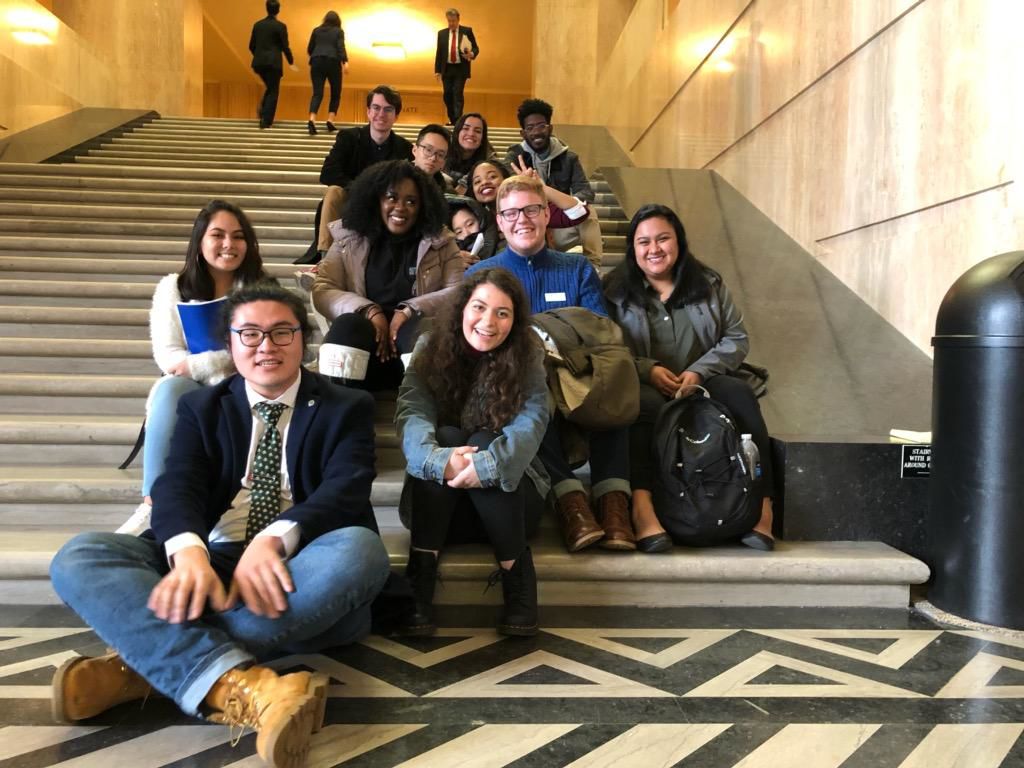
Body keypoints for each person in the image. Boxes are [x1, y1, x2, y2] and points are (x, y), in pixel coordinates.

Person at [49, 281, 391, 768]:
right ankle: (243, 686)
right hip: (212, 563)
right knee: (80, 556)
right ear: (230, 346)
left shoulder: (346, 406)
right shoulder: (201, 406)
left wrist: (274, 540)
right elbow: (177, 485)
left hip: (301, 568)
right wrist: (189, 552)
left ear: (303, 341)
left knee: (361, 552)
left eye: (281, 333)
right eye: (249, 334)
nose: (265, 346)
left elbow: (347, 489)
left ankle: (141, 666)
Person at [466, 175, 633, 553]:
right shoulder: (480, 275)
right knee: (531, 386)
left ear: (545, 214)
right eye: (511, 213)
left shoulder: (576, 270)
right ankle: (570, 501)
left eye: (530, 210)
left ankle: (613, 504)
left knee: (612, 388)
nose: (521, 219)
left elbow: (599, 331)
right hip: (517, 381)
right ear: (499, 220)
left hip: (576, 372)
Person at [603, 204, 775, 551]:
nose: (654, 249)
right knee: (638, 406)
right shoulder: (614, 291)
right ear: (632, 249)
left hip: (703, 380)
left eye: (663, 239)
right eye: (643, 242)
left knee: (739, 396)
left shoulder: (708, 283)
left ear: (678, 241)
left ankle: (763, 508)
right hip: (645, 383)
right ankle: (643, 510)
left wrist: (699, 371)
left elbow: (737, 338)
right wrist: (646, 369)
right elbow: (604, 345)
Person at [396, 268, 549, 636]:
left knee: (484, 441)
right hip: (440, 507)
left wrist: (490, 464)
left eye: (502, 313)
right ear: (463, 308)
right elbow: (411, 411)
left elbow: (533, 420)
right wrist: (439, 461)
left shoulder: (528, 354)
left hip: (511, 507)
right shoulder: (429, 348)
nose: (488, 322)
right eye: (479, 307)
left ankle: (518, 579)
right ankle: (421, 575)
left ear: (514, 320)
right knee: (446, 436)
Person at [118, 201, 270, 537]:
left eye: (238, 236)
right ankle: (152, 504)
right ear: (200, 241)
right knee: (169, 389)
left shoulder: (262, 290)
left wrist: (201, 363)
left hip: (246, 383)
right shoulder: (173, 288)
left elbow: (265, 346)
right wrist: (212, 364)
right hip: (191, 384)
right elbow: (168, 355)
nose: (229, 244)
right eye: (218, 235)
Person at [311, 160, 463, 391]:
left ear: (423, 206)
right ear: (376, 199)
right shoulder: (348, 238)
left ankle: (422, 415)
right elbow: (323, 288)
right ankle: (343, 412)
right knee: (348, 325)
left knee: (423, 327)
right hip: (361, 351)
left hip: (416, 359)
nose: (400, 207)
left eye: (411, 201)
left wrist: (409, 310)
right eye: (391, 197)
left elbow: (458, 292)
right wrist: (369, 310)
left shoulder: (441, 242)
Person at [310, 85, 413, 261]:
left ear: (396, 116)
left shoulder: (404, 148)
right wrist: (360, 190)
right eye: (376, 107)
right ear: (368, 111)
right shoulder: (349, 138)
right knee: (333, 191)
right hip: (350, 201)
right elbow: (327, 173)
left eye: (388, 109)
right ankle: (325, 259)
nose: (381, 114)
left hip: (384, 207)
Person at [504, 98, 604, 268]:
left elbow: (585, 192)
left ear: (550, 128)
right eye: (530, 128)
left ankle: (593, 267)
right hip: (530, 222)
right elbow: (506, 192)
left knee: (589, 212)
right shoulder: (515, 157)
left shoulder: (569, 158)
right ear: (523, 133)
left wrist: (557, 201)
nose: (536, 132)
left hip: (559, 225)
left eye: (541, 126)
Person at [467, 159, 593, 270]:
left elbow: (579, 212)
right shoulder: (471, 219)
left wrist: (539, 188)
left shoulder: (531, 210)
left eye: (492, 177)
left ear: (506, 180)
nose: (484, 183)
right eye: (477, 182)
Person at [249, 0, 297, 130]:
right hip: (273, 63)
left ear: (266, 9)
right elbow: (285, 46)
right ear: (278, 10)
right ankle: (266, 120)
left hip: (259, 63)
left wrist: (259, 56)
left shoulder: (257, 25)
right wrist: (291, 61)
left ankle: (263, 110)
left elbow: (251, 46)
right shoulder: (280, 26)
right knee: (274, 91)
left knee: (270, 87)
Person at [306, 10, 348, 136]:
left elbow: (309, 49)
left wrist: (318, 54)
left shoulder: (316, 30)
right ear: (337, 21)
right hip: (333, 62)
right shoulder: (338, 31)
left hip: (316, 61)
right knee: (336, 92)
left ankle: (312, 119)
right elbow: (340, 46)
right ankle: (330, 120)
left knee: (317, 93)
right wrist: (345, 61)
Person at [434, 8, 478, 125]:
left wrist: (471, 54)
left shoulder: (467, 31)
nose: (451, 23)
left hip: (460, 68)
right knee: (447, 94)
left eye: (453, 21)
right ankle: (452, 118)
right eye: (449, 21)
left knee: (457, 93)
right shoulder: (442, 34)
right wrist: (437, 70)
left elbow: (475, 48)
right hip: (447, 68)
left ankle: (458, 120)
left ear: (458, 20)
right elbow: (439, 52)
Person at [444, 112, 495, 195]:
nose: (471, 134)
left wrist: (464, 183)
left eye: (477, 131)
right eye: (466, 128)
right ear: (457, 132)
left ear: (482, 138)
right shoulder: (443, 150)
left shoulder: (489, 158)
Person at [411, 123, 452, 192]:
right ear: (415, 150)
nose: (433, 158)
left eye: (440, 155)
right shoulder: (394, 180)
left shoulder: (447, 192)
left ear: (444, 162)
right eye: (428, 150)